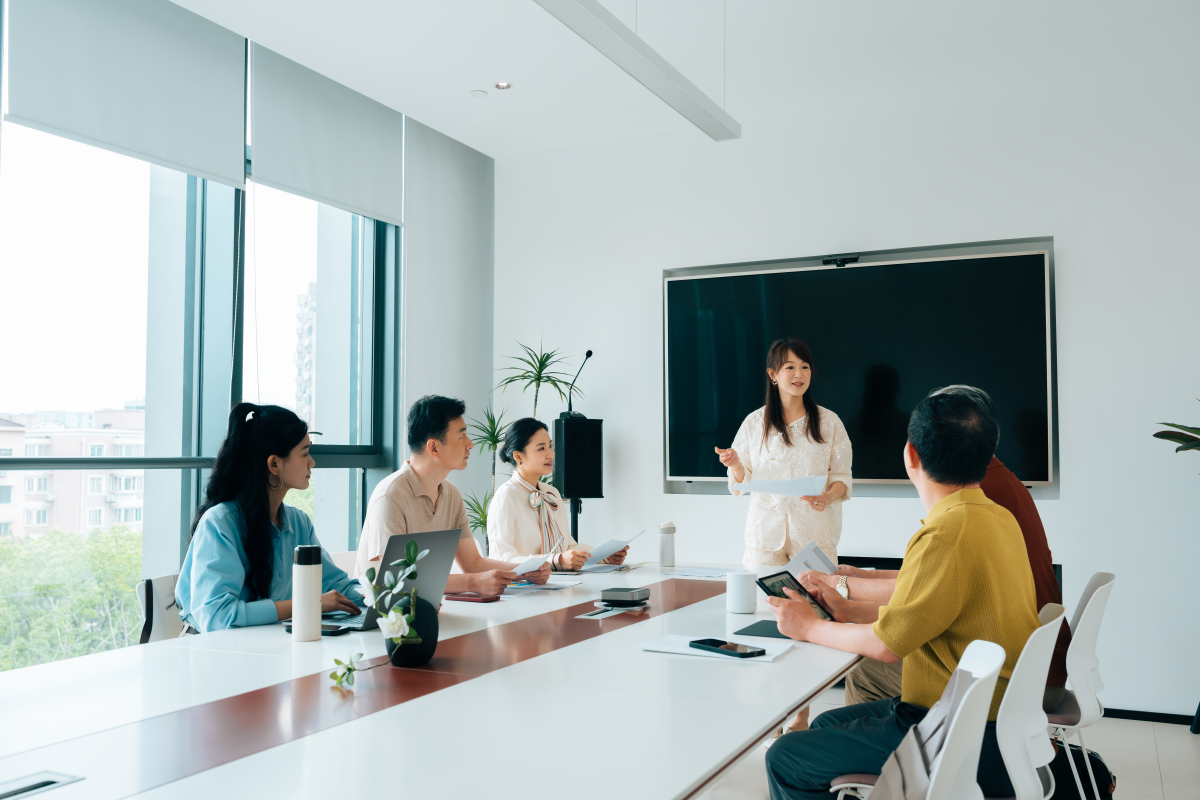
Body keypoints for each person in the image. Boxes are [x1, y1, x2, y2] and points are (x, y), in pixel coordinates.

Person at [764, 387, 1040, 800]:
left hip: (949, 723)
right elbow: (921, 614)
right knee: (824, 724)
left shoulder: (945, 534)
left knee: (785, 756)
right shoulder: (997, 518)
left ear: (911, 455)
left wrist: (807, 627)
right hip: (986, 711)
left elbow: (887, 646)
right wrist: (846, 609)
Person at [802, 386, 1071, 713]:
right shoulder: (995, 507)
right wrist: (853, 598)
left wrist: (819, 613)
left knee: (862, 673)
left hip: (990, 689)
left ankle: (907, 744)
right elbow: (939, 586)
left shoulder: (954, 523)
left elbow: (893, 636)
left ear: (912, 453)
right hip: (1016, 670)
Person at [714, 337, 852, 739]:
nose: (798, 374)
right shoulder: (755, 423)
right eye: (789, 367)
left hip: (815, 534)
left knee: (810, 621)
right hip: (766, 536)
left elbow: (842, 477)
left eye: (804, 367)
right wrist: (735, 464)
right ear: (773, 375)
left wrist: (828, 496)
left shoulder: (829, 422)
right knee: (765, 621)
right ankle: (770, 710)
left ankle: (800, 714)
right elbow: (740, 481)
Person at [176, 403, 363, 633]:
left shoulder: (299, 523)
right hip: (215, 649)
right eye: (305, 453)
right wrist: (308, 604)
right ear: (274, 464)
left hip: (273, 644)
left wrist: (381, 595)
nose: (312, 462)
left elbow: (335, 585)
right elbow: (219, 618)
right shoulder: (219, 523)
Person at [353, 395, 550, 595]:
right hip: (382, 611)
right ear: (434, 447)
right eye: (462, 436)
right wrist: (471, 583)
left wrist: (526, 571)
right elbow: (395, 577)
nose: (470, 444)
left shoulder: (451, 494)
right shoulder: (390, 496)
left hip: (428, 605)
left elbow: (473, 563)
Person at [487, 418, 628, 570]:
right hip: (525, 583)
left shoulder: (551, 493)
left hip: (560, 581)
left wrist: (603, 556)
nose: (550, 454)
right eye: (541, 448)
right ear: (518, 456)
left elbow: (567, 547)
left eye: (550, 446)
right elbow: (502, 559)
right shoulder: (506, 496)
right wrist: (556, 560)